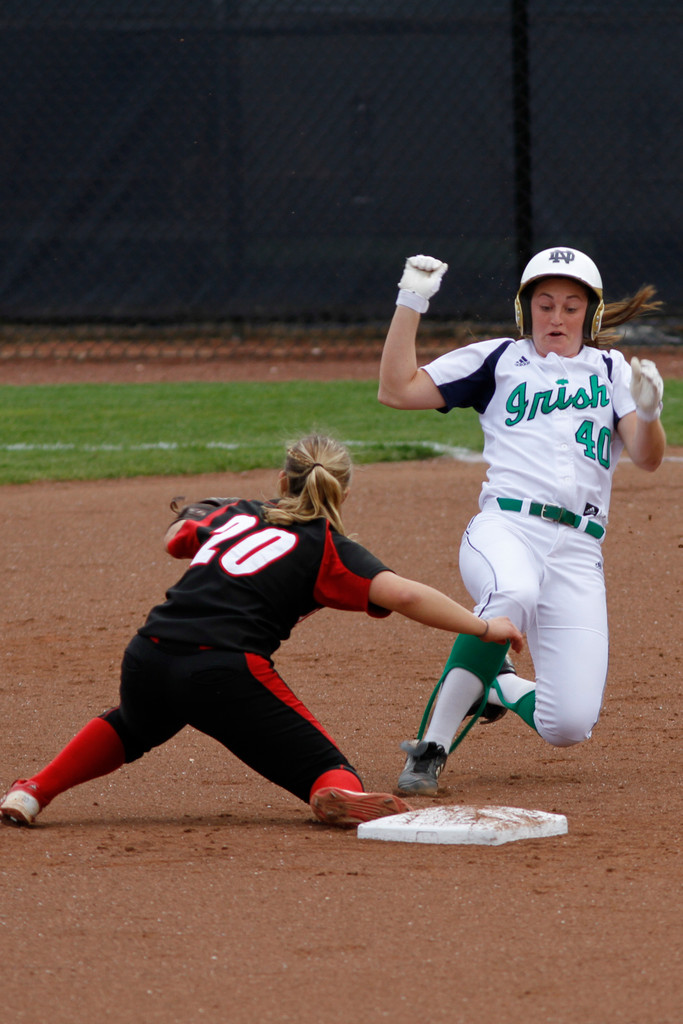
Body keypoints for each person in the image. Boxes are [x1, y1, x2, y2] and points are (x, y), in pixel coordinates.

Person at [1, 433, 523, 829]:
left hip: (148, 655)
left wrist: (197, 513)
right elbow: (404, 595)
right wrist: (483, 625)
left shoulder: (237, 513)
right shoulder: (330, 548)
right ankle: (335, 791)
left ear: (281, 480)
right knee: (330, 769)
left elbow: (176, 538)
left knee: (132, 725)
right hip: (222, 671)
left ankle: (32, 791)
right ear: (342, 492)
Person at [378, 249, 667, 795]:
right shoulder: (498, 359)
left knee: (569, 724)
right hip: (507, 529)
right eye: (545, 304)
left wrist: (649, 413)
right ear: (524, 309)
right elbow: (396, 390)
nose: (557, 318)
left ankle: (498, 687)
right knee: (512, 591)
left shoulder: (613, 371)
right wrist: (411, 299)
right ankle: (430, 749)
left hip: (579, 550)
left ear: (590, 315)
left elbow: (648, 458)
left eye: (571, 307)